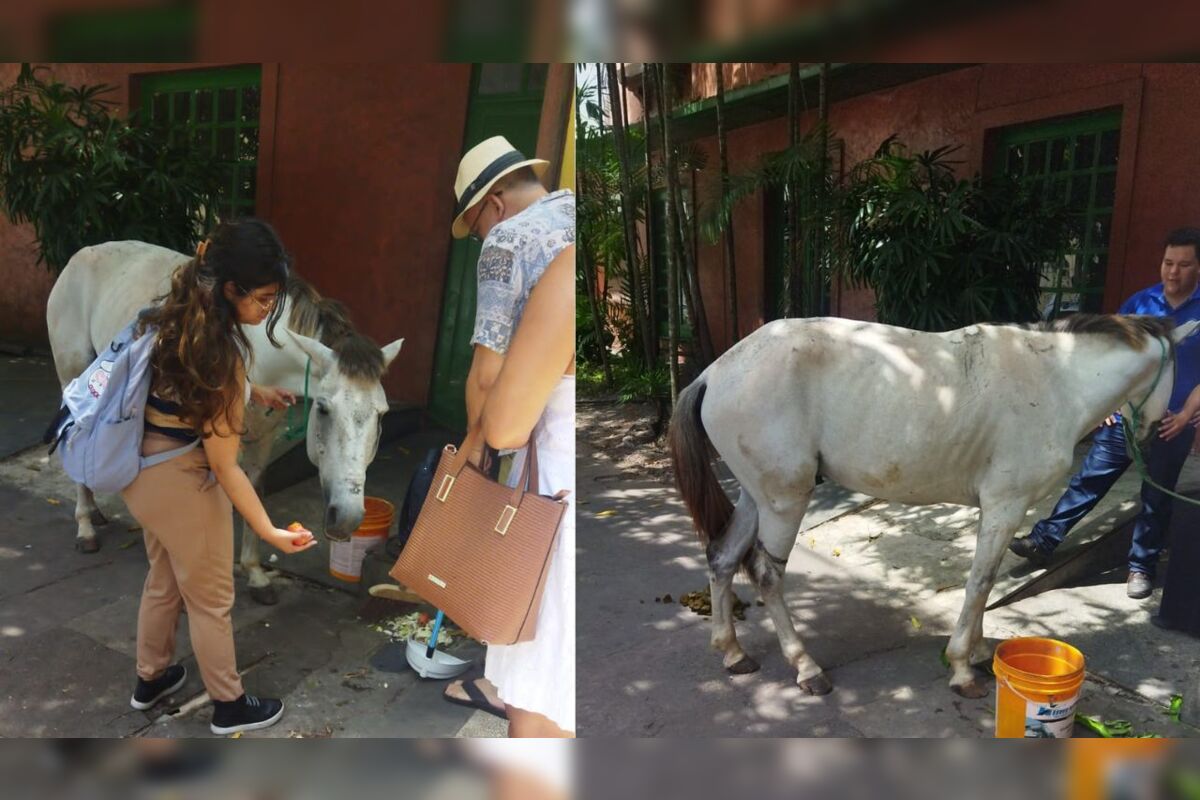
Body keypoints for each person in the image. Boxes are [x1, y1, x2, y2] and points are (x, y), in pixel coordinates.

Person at [121, 218, 318, 735]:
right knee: (212, 600)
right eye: (265, 297)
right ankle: (229, 706)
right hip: (183, 481)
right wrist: (269, 530)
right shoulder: (224, 355)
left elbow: (190, 386)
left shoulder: (172, 317)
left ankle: (151, 679)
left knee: (164, 580)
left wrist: (253, 391)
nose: (269, 308)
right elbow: (227, 466)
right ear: (232, 289)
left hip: (140, 473)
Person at [440, 135, 575, 737]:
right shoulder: (573, 211)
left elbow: (490, 373)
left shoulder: (509, 240)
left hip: (545, 454)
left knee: (536, 670)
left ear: (493, 204)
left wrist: (472, 470)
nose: (478, 239)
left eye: (473, 227)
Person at [1009, 227, 1200, 600]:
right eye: (1167, 263)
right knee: (1089, 479)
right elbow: (1110, 362)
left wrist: (1189, 411)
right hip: (1126, 419)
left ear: (1198, 267)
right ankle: (1044, 539)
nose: (1173, 272)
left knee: (1155, 497)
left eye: (1183, 265)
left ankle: (1140, 566)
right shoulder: (1139, 304)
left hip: (1172, 424)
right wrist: (1109, 406)